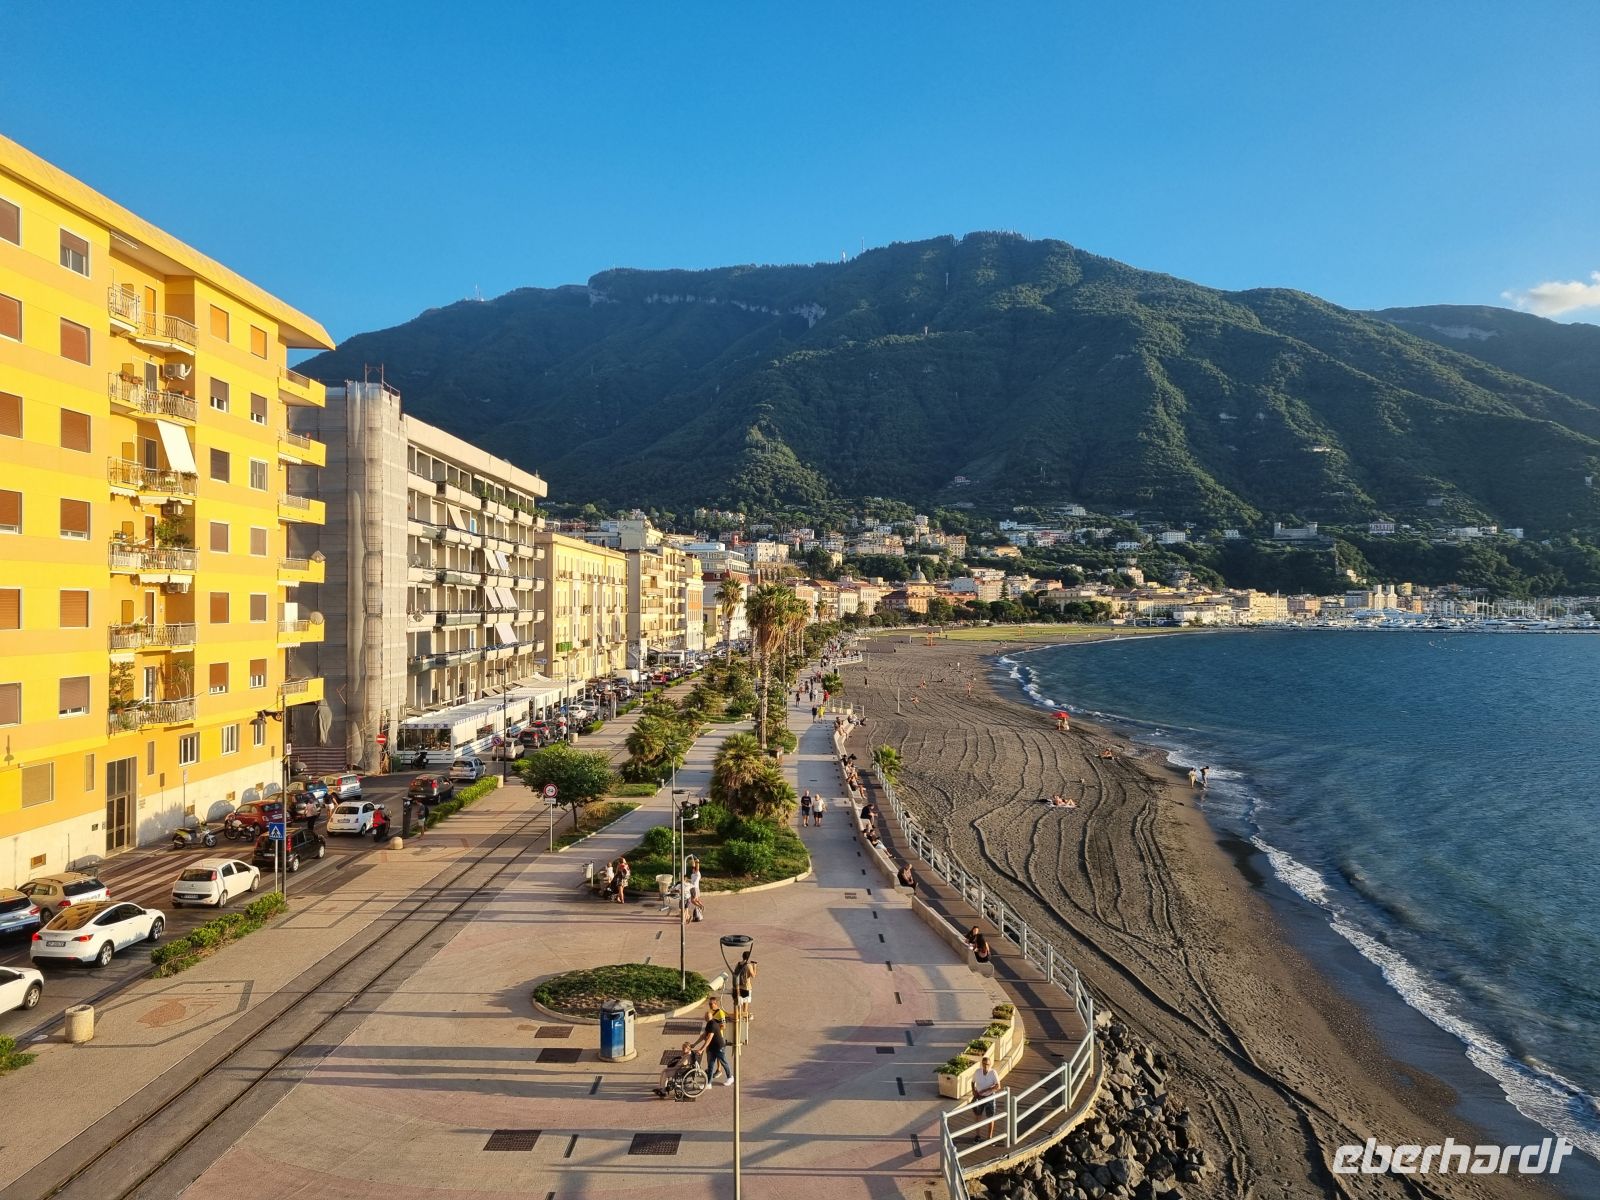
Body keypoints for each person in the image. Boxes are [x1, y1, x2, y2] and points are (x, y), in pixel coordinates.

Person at [694, 1001, 733, 1086]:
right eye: (706, 1016)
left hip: (719, 1047)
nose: (705, 1018)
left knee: (723, 1062)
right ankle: (708, 1083)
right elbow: (704, 1035)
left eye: (707, 1017)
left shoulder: (712, 1024)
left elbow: (709, 1038)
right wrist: (694, 1044)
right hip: (712, 1047)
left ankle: (730, 1077)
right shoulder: (709, 1023)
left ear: (710, 1017)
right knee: (710, 1065)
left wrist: (701, 1050)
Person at [971, 1055, 1002, 1142]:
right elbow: (972, 1082)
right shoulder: (977, 1072)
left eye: (987, 1064)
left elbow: (998, 1086)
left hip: (990, 1097)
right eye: (984, 1064)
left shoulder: (993, 1073)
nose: (986, 1066)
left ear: (990, 1064)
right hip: (979, 1097)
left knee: (990, 1118)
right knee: (978, 1116)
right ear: (982, 1064)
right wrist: (973, 1090)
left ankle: (989, 1137)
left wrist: (986, 1090)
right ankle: (977, 1136)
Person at [732, 950, 757, 1018]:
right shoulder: (748, 965)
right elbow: (753, 975)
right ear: (748, 957)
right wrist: (754, 966)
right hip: (746, 987)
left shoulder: (738, 964)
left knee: (738, 1003)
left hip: (738, 987)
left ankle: (738, 1016)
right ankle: (744, 1017)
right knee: (745, 1004)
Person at [683, 855, 705, 923]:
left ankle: (700, 907)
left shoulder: (697, 873)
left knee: (693, 901)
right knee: (696, 900)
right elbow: (693, 866)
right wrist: (692, 859)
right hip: (695, 888)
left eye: (694, 869)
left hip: (694, 888)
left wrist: (697, 861)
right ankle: (701, 906)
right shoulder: (693, 873)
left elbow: (697, 867)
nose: (693, 870)